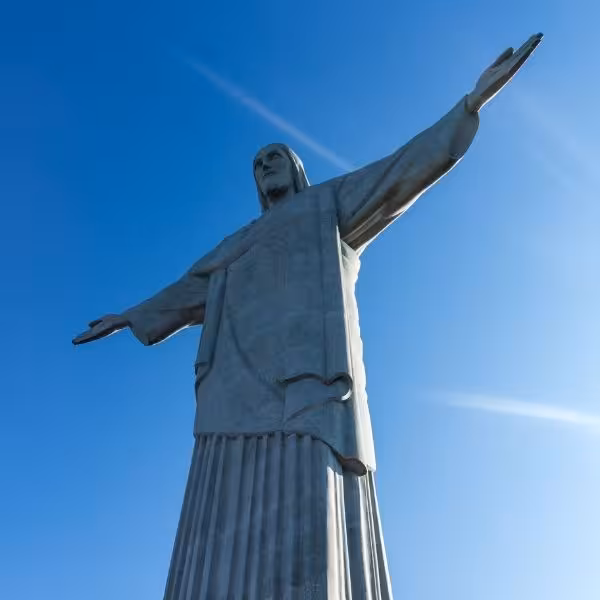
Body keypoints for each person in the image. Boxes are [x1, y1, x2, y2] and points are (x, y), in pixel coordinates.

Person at [74, 34, 542, 600]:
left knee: (306, 494)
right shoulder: (237, 242)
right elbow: (187, 289)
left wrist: (469, 106)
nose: (266, 164)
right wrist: (129, 315)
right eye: (257, 162)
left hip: (308, 383)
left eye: (276, 156)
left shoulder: (329, 205)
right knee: (221, 507)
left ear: (296, 170)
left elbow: (402, 170)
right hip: (233, 393)